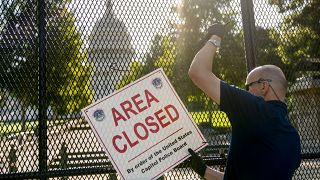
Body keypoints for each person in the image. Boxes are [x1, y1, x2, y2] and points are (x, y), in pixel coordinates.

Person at [187, 23, 301, 180]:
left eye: (249, 86)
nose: (246, 91)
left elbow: (197, 72)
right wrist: (204, 170)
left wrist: (215, 37)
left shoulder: (255, 109)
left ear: (263, 86)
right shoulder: (293, 138)